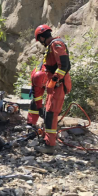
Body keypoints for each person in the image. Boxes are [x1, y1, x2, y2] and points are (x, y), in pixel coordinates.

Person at [31, 25, 72, 154]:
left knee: (51, 114)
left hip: (58, 85)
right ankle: (48, 139)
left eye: (40, 40)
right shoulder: (52, 46)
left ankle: (50, 145)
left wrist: (54, 80)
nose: (41, 43)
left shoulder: (56, 44)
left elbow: (64, 65)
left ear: (42, 37)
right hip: (54, 85)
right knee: (48, 112)